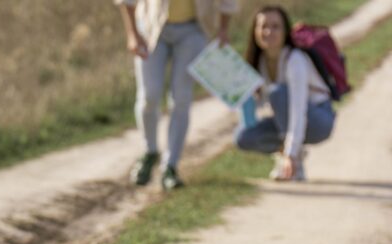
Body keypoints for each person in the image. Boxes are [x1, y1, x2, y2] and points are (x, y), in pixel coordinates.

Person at [116, 0, 236, 189]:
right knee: (150, 95)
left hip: (193, 30)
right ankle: (150, 151)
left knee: (181, 98)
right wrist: (132, 33)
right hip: (150, 27)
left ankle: (170, 166)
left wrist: (223, 29)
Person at [234, 6, 335, 181]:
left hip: (318, 119)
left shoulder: (295, 60)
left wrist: (291, 153)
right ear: (255, 31)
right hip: (287, 120)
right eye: (263, 26)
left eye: (275, 26)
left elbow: (298, 109)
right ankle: (290, 154)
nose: (268, 32)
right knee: (243, 137)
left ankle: (293, 161)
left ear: (285, 31)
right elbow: (262, 106)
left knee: (278, 93)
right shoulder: (259, 63)